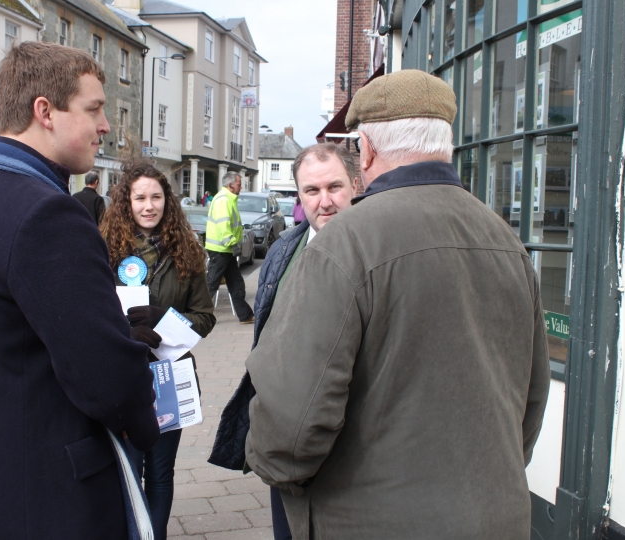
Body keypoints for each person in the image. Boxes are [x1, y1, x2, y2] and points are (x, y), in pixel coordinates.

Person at [243, 69, 551, 539]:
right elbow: (531, 400)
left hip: (368, 518)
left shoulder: (344, 243)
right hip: (498, 516)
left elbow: (292, 425)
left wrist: (275, 469)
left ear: (365, 150)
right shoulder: (506, 240)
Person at [0, 41, 161, 538]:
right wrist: (142, 418)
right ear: (45, 112)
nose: (106, 126)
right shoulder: (46, 215)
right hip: (38, 498)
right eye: (94, 109)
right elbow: (106, 377)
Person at [210, 142, 356, 540]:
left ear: (355, 186)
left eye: (334, 187)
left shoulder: (373, 251)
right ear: (298, 196)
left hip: (349, 448)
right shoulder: (283, 249)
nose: (324, 202)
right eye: (311, 191)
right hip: (284, 441)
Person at [100, 161, 216, 540]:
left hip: (170, 376)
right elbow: (89, 313)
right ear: (126, 202)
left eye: (156, 197)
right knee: (130, 470)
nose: (149, 206)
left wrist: (163, 319)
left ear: (168, 201)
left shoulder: (187, 251)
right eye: (140, 198)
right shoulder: (105, 250)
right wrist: (124, 332)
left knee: (161, 473)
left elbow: (204, 318)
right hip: (123, 377)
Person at [205, 171, 254, 324]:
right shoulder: (224, 200)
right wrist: (232, 243)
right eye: (239, 184)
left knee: (236, 283)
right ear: (230, 185)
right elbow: (223, 225)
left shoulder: (228, 199)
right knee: (211, 284)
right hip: (221, 250)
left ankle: (245, 315)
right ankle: (195, 315)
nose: (241, 188)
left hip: (225, 250)